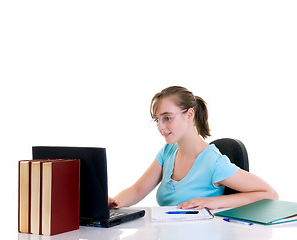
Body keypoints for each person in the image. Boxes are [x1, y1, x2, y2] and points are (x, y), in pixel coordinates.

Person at [109, 86, 278, 210]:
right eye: (157, 120)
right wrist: (114, 203)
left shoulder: (213, 162)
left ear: (189, 115)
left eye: (167, 118)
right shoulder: (167, 153)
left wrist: (212, 202)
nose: (160, 127)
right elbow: (138, 190)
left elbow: (269, 194)